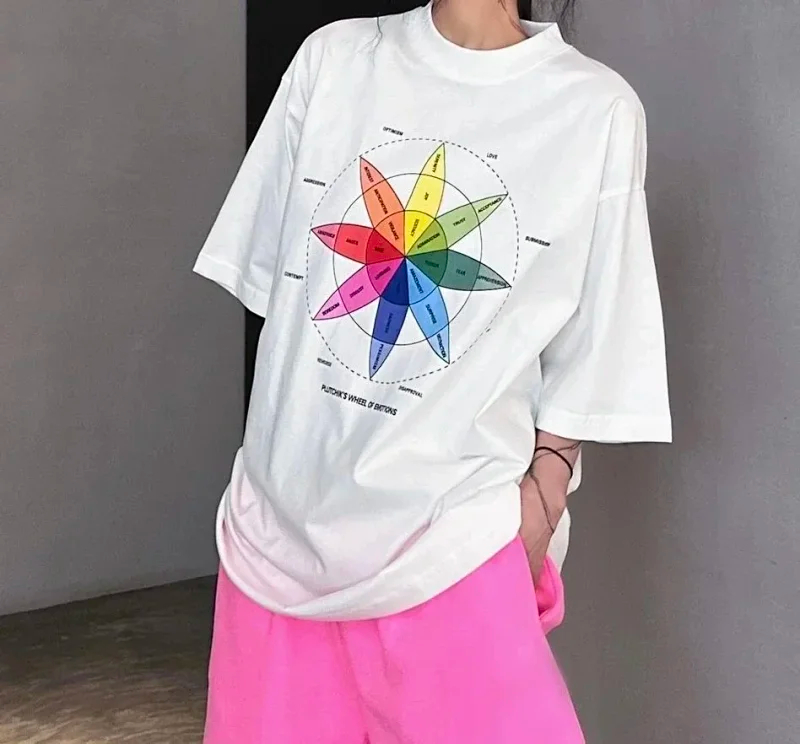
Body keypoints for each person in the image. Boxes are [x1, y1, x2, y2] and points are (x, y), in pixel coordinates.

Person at [193, 0, 672, 741]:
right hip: (271, 552)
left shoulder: (595, 110)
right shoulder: (332, 59)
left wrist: (543, 498)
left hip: (454, 554)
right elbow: (285, 298)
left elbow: (598, 346)